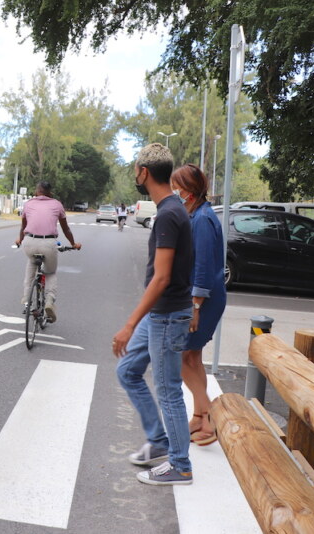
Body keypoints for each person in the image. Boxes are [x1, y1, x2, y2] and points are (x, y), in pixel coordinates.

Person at [112, 143, 194, 486]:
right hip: (163, 315)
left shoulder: (168, 215)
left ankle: (180, 465)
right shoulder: (173, 209)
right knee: (128, 370)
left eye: (135, 170)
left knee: (168, 390)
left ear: (144, 173)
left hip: (166, 316)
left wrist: (129, 325)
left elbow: (161, 277)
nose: (135, 175)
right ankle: (159, 441)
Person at [170, 164, 227, 446]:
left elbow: (203, 266)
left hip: (202, 300)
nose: (173, 192)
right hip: (200, 298)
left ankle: (208, 421)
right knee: (192, 358)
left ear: (189, 192)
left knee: (182, 356)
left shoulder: (202, 219)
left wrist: (194, 307)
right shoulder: (196, 214)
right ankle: (200, 416)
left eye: (176, 187)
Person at [14, 181, 81, 323]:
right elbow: (66, 229)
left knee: (31, 268)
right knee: (50, 273)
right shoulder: (57, 204)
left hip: (29, 242)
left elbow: (23, 227)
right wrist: (73, 244)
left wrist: (20, 240)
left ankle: (27, 300)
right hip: (49, 243)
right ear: (49, 192)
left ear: (37, 191)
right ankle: (49, 301)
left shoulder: (28, 204)